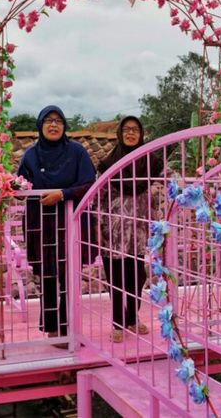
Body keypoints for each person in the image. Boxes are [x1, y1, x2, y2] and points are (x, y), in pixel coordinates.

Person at [17, 105, 96, 347]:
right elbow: (22, 186)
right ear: (40, 125)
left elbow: (88, 183)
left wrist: (62, 194)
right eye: (48, 121)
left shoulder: (76, 152)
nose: (53, 125)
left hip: (69, 222)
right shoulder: (31, 155)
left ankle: (70, 327)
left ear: (64, 126)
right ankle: (53, 328)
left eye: (58, 121)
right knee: (49, 276)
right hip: (41, 223)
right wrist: (12, 186)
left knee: (69, 275)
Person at [97, 116, 163, 343]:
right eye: (126, 130)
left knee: (137, 275)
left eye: (135, 129)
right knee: (115, 277)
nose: (131, 133)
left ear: (142, 134)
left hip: (138, 230)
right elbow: (99, 197)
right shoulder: (108, 164)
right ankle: (117, 323)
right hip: (112, 231)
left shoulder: (151, 163)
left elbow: (167, 182)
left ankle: (131, 318)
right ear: (120, 133)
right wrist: (99, 225)